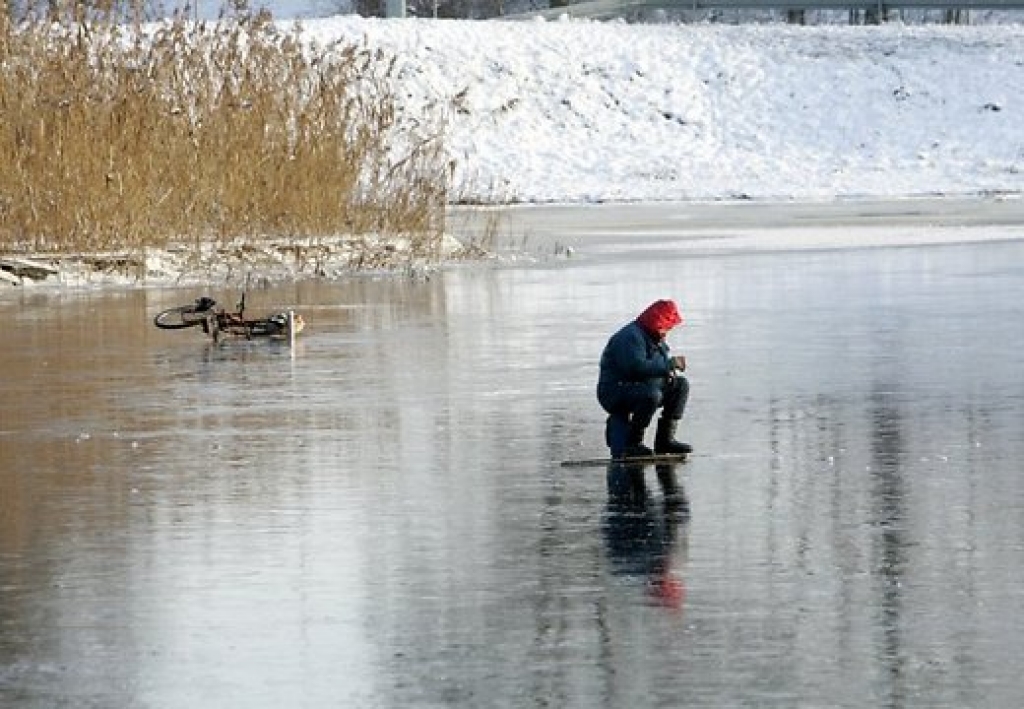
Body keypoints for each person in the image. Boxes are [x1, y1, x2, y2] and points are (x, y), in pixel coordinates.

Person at [597, 299, 692, 458]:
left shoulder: (653, 336)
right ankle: (633, 443)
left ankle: (665, 440)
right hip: (614, 392)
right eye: (665, 327)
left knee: (680, 385)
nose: (666, 331)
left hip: (638, 387)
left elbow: (653, 366)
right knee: (652, 395)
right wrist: (668, 365)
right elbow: (636, 368)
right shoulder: (630, 337)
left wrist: (666, 374)